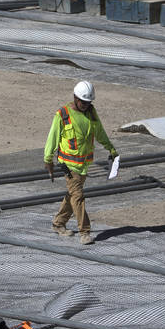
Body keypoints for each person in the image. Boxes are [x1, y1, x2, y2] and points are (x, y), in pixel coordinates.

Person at [44, 80, 118, 245]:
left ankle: (58, 223)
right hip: (67, 165)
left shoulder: (91, 113)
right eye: (83, 102)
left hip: (83, 165)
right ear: (75, 97)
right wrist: (47, 159)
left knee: (72, 194)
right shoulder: (63, 114)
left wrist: (111, 148)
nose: (85, 105)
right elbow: (52, 138)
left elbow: (99, 133)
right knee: (78, 196)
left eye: (88, 102)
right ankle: (84, 232)